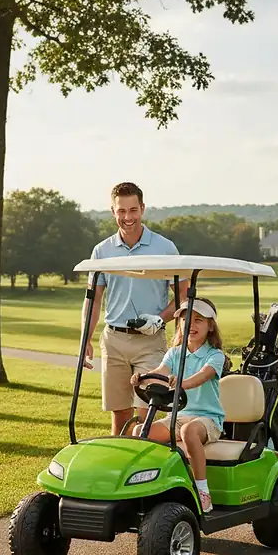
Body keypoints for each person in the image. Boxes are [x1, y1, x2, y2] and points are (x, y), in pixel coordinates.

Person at [82, 182, 188, 436]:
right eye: (121, 211)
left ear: (142, 208)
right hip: (114, 340)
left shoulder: (165, 248)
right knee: (119, 416)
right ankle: (119, 472)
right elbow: (93, 299)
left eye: (133, 210)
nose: (127, 217)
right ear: (113, 211)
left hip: (150, 342)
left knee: (147, 415)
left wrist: (161, 320)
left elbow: (183, 296)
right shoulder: (102, 251)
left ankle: (146, 474)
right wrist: (85, 337)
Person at [130, 298, 225, 513]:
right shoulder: (175, 353)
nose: (191, 324)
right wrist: (143, 379)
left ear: (210, 326)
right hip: (179, 416)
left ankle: (202, 490)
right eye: (186, 319)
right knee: (140, 431)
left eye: (199, 320)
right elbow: (161, 371)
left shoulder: (215, 356)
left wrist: (180, 382)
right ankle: (147, 488)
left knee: (188, 431)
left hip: (208, 419)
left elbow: (201, 377)